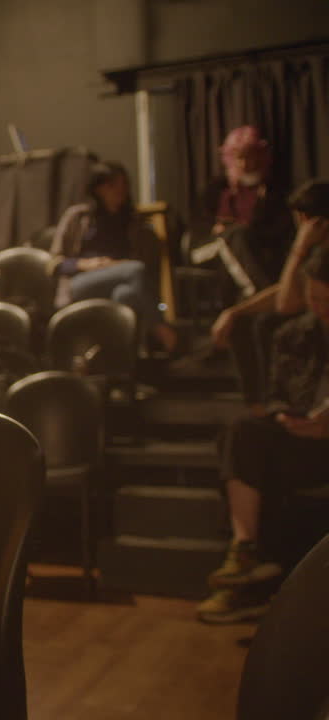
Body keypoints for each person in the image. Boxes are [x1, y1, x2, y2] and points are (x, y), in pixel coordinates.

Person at [197, 244, 329, 624]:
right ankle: (245, 550)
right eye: (314, 298)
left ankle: (249, 583)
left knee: (249, 463)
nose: (320, 307)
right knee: (240, 435)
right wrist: (286, 416)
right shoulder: (294, 333)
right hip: (302, 437)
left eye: (327, 299)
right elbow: (277, 394)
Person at [210, 180, 329, 411]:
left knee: (268, 324)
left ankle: (276, 404)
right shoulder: (317, 251)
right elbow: (284, 290)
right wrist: (234, 312)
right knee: (241, 321)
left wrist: (299, 247)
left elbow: (285, 303)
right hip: (311, 314)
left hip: (318, 321)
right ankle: (258, 407)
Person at [49, 161, 178, 352]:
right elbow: (53, 263)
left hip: (120, 278)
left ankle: (121, 358)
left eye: (123, 184)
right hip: (81, 282)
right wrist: (88, 264)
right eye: (112, 185)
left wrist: (117, 265)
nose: (120, 189)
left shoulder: (133, 221)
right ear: (97, 188)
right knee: (135, 269)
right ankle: (161, 329)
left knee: (126, 295)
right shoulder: (77, 216)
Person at [189, 126, 294, 298]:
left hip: (247, 247)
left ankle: (254, 296)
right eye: (239, 158)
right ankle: (261, 295)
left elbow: (278, 230)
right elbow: (198, 223)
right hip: (207, 247)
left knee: (240, 236)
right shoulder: (217, 188)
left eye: (249, 157)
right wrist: (215, 229)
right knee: (235, 236)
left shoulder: (272, 192)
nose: (244, 164)